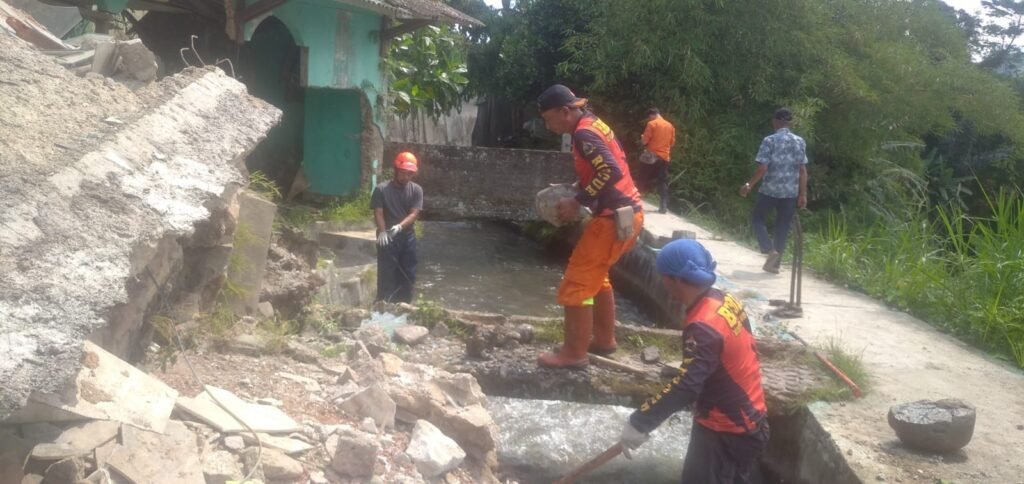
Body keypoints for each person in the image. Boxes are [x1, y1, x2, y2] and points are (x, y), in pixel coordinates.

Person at [619, 239, 769, 483]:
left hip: (727, 431)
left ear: (674, 279)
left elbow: (688, 385)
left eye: (663, 276)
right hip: (750, 419)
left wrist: (640, 422)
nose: (662, 282)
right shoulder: (725, 300)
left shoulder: (702, 326)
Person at [535, 84, 645, 369]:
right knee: (597, 278)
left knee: (577, 283)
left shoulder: (583, 133)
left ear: (565, 111)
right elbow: (602, 168)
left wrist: (577, 201)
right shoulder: (592, 124)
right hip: (628, 214)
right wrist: (576, 187)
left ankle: (574, 353)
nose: (548, 126)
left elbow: (610, 170)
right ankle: (604, 340)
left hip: (613, 218)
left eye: (549, 119)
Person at [740, 108, 808, 273]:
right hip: (790, 193)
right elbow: (802, 170)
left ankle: (770, 250)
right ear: (791, 123)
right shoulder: (800, 141)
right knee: (782, 227)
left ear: (775, 122)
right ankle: (775, 266)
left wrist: (749, 184)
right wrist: (803, 194)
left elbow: (763, 168)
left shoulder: (769, 140)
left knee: (757, 218)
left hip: (770, 190)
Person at [372, 152, 423, 303]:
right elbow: (379, 213)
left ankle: (404, 305)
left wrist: (400, 227)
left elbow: (414, 214)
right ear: (396, 170)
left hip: (407, 237)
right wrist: (382, 231)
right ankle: (383, 305)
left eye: (409, 174)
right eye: (403, 173)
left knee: (408, 272)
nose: (406, 177)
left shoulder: (416, 190)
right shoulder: (381, 190)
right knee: (387, 273)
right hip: (387, 237)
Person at [641, 107, 676, 213]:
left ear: (651, 115)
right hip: (665, 157)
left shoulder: (652, 124)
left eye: (649, 117)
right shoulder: (670, 126)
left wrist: (642, 137)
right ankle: (663, 206)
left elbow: (645, 141)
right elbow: (672, 143)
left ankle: (635, 202)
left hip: (652, 156)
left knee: (642, 178)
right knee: (662, 181)